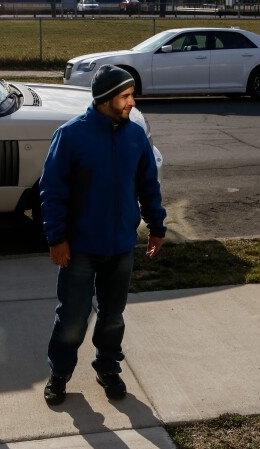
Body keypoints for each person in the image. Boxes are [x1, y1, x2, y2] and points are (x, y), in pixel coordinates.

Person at [39, 65, 167, 405]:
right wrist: (56, 238)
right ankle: (60, 374)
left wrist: (156, 226)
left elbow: (148, 185)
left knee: (113, 315)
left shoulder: (135, 135)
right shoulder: (71, 135)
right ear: (106, 99)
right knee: (72, 317)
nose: (131, 101)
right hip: (80, 246)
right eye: (125, 96)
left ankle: (108, 367)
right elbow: (52, 190)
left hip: (122, 244)